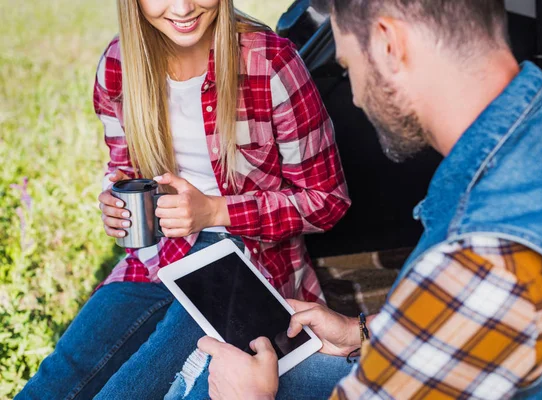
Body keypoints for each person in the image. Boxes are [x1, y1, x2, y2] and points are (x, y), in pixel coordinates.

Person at [166, 0, 542, 399]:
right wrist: (361, 332)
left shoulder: (482, 258)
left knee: (208, 373)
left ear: (389, 44)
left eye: (348, 65)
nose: (354, 94)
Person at [16, 0, 350, 399]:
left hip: (245, 256)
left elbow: (327, 199)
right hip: (156, 254)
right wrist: (114, 199)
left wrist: (214, 210)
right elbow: (123, 168)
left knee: (131, 385)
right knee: (63, 372)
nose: (182, 7)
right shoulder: (119, 64)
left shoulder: (269, 61)